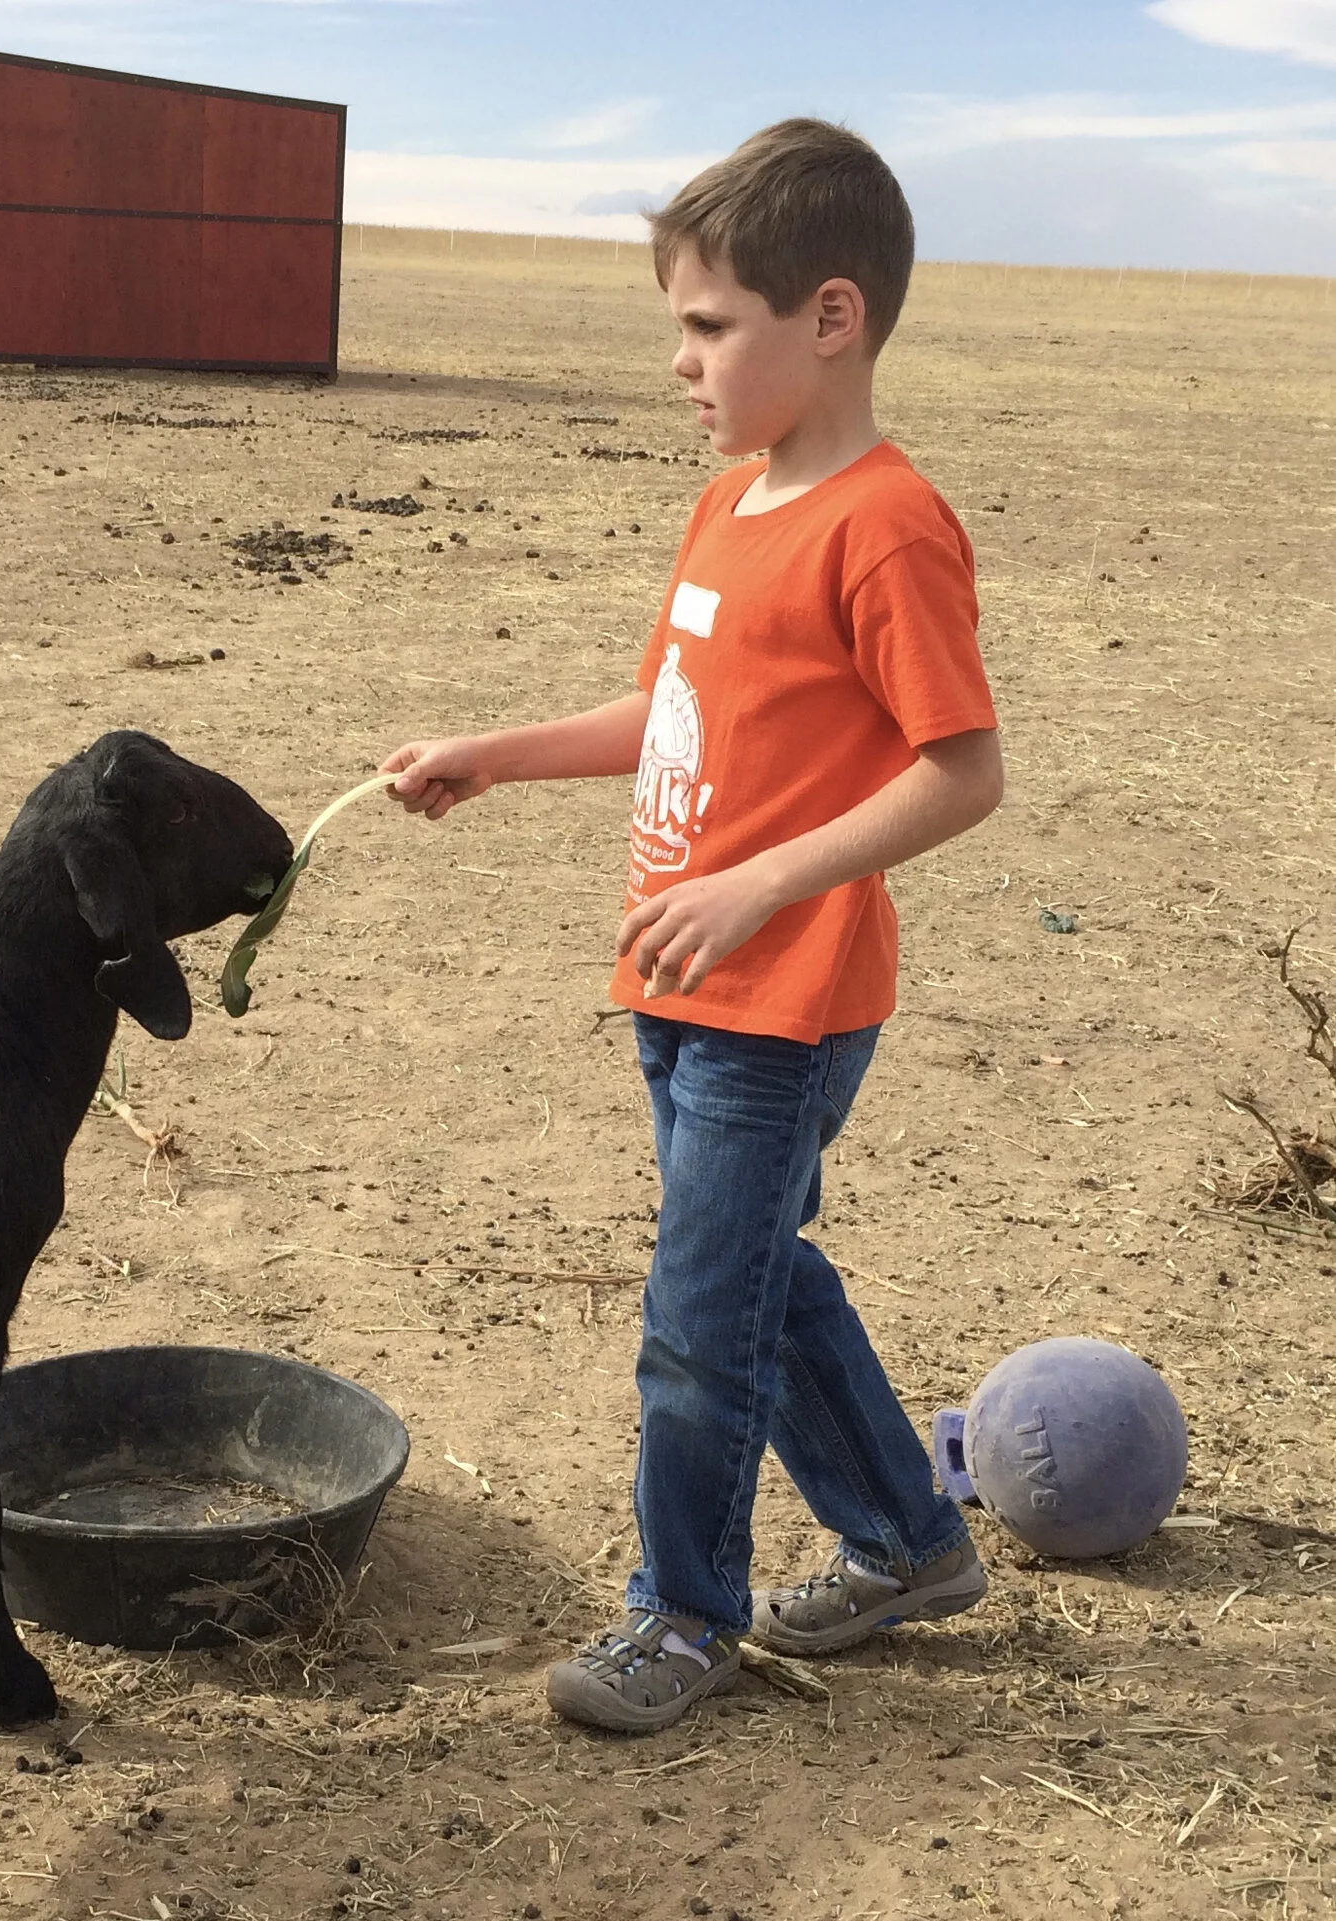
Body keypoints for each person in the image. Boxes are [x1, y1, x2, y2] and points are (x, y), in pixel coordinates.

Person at [382, 119, 1007, 1734]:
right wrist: (494, 756)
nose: (683, 361)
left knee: (694, 1317)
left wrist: (765, 879)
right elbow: (671, 709)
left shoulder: (886, 522)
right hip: (681, 978)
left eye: (710, 326)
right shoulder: (733, 504)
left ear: (832, 318)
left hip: (784, 993)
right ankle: (911, 1538)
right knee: (752, 1279)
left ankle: (683, 1617)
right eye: (681, 324)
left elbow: (963, 772)